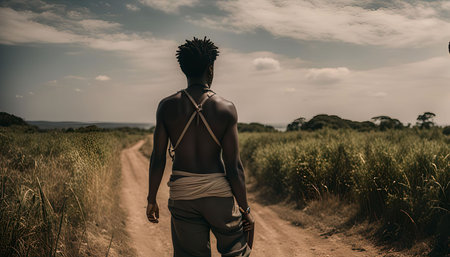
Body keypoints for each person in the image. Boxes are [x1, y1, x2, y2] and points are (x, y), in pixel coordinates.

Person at [146, 37, 254, 257]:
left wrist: (151, 199)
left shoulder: (166, 106)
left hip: (182, 195)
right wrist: (245, 209)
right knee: (237, 250)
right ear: (211, 68)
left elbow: (158, 157)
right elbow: (233, 166)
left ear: (183, 69)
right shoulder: (226, 108)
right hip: (219, 196)